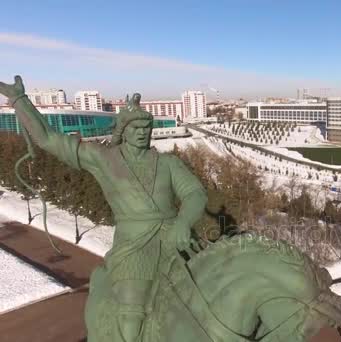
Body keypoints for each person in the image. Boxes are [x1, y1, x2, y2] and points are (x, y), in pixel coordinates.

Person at [0, 76, 207, 342]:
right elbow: (48, 138)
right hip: (135, 247)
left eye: (147, 127)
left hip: (176, 238)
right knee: (132, 320)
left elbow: (194, 193)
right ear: (124, 129)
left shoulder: (167, 163)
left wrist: (183, 222)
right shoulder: (103, 159)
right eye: (136, 127)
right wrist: (19, 100)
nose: (143, 132)